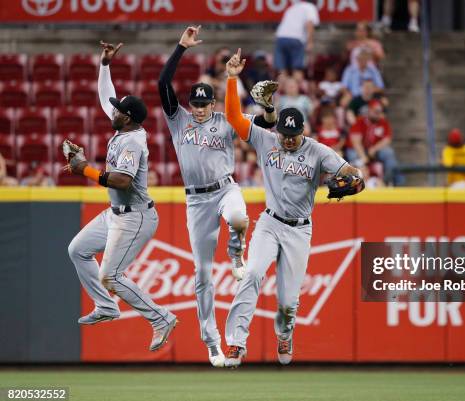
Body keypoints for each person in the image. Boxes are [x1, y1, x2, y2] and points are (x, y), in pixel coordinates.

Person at [222, 48, 363, 367]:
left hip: (299, 229)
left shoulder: (318, 151)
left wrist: (357, 180)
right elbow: (233, 118)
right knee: (252, 274)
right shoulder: (266, 139)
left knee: (288, 301)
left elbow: (352, 174)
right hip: (270, 223)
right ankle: (236, 343)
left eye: (292, 135)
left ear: (303, 131)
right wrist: (232, 79)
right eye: (283, 134)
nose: (286, 139)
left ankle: (284, 335)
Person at [158, 26, 278, 367]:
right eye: (194, 103)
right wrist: (180, 48)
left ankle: (236, 253)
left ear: (212, 103)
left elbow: (267, 124)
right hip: (196, 202)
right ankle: (212, 343)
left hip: (225, 189)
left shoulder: (226, 120)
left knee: (239, 218)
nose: (197, 109)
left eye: (203, 103)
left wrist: (268, 108)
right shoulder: (178, 120)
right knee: (202, 276)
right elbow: (162, 85)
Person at [67, 41, 177, 352]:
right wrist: (104, 65)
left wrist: (86, 171)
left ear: (127, 117)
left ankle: (160, 318)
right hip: (116, 214)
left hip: (135, 215)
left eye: (118, 109)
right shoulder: (123, 128)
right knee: (78, 249)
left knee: (111, 274)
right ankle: (106, 307)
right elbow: (106, 96)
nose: (112, 110)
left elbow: (123, 180)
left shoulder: (132, 142)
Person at [347, 99, 404, 185]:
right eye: (376, 111)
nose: (378, 114)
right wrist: (363, 156)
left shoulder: (383, 122)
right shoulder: (360, 121)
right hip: (357, 150)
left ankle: (387, 181)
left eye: (380, 112)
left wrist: (374, 148)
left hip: (373, 150)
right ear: (369, 110)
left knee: (389, 153)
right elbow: (356, 142)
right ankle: (354, 184)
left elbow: (387, 139)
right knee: (353, 155)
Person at [274, 0, 319, 77]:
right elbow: (310, 24)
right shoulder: (310, 7)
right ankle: (298, 88)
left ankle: (282, 88)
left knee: (281, 71)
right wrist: (310, 43)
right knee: (297, 69)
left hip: (280, 38)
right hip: (296, 38)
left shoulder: (292, 7)